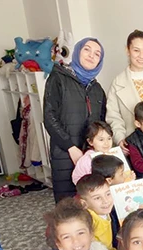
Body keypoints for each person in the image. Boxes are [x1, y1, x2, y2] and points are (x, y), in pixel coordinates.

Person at [44, 37, 106, 203]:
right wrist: (70, 148)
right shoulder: (58, 78)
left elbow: (101, 123)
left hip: (90, 155)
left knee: (92, 203)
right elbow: (49, 116)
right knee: (68, 205)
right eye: (87, 50)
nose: (91, 55)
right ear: (78, 51)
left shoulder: (97, 89)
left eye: (97, 54)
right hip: (64, 154)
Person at [76, 174, 117, 250]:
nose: (105, 201)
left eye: (108, 194)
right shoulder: (89, 219)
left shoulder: (102, 211)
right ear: (84, 203)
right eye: (97, 198)